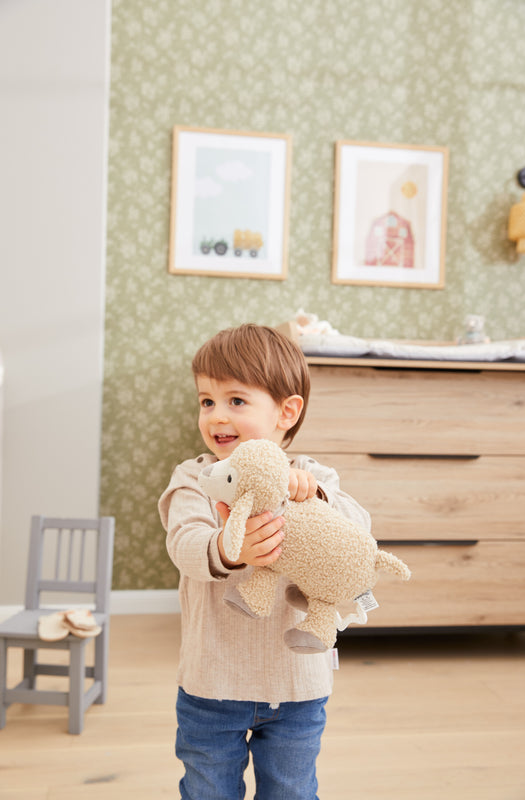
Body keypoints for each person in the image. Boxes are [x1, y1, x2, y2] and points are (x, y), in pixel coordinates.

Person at [158, 323, 371, 800]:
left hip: (297, 686)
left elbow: (358, 534)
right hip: (211, 684)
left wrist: (316, 498)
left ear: (286, 412)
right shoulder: (195, 479)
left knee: (292, 791)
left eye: (236, 400)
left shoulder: (313, 476)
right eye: (206, 401)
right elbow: (185, 545)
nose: (216, 415)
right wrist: (228, 549)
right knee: (207, 790)